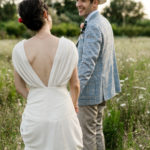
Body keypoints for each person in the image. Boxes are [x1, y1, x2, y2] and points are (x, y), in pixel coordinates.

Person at [12, 0, 83, 149]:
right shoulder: (68, 47)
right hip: (63, 112)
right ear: (45, 14)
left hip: (35, 114)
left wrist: (36, 96)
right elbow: (75, 85)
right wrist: (74, 104)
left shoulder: (18, 50)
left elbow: (19, 86)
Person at [76, 0, 121, 150]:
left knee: (86, 137)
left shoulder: (94, 26)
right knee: (96, 132)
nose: (77, 4)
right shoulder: (103, 22)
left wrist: (75, 93)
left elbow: (88, 64)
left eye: (82, 0)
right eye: (76, 0)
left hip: (88, 93)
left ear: (94, 2)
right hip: (100, 90)